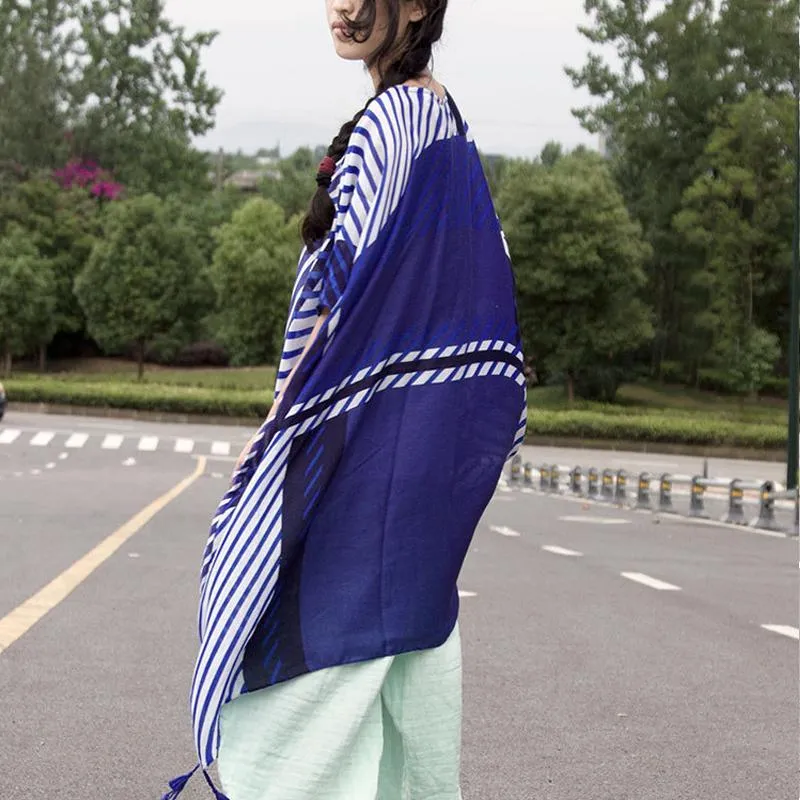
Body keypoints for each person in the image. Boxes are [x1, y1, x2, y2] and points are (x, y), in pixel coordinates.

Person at [162, 1, 526, 798]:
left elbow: (336, 308)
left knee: (308, 675)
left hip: (363, 450)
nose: (341, 6)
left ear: (421, 5)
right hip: (419, 453)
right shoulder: (441, 121)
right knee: (405, 678)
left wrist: (278, 428)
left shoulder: (396, 120)